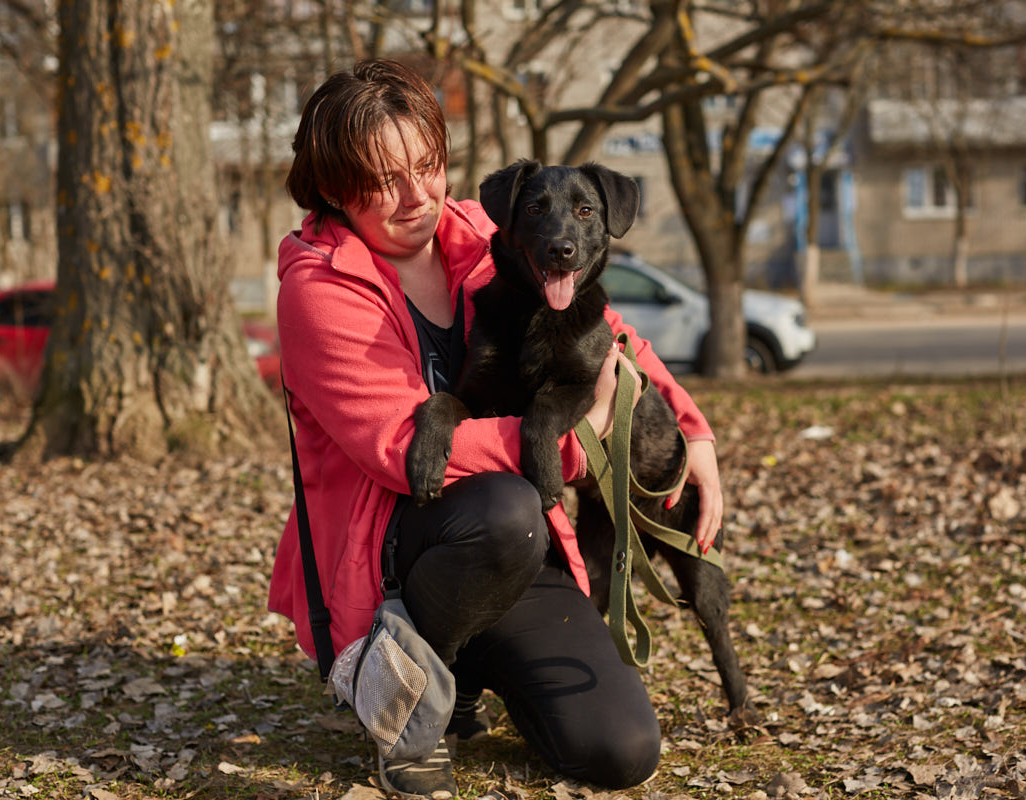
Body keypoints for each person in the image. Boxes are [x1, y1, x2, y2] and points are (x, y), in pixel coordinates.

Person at [270, 59, 725, 800]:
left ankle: (471, 674)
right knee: (505, 508)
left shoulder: (484, 231)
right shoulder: (320, 290)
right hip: (397, 550)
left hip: (520, 544)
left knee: (622, 751)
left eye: (428, 165)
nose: (417, 195)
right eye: (386, 180)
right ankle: (404, 688)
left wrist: (694, 433)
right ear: (333, 185)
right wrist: (583, 443)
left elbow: (604, 331)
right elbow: (396, 450)